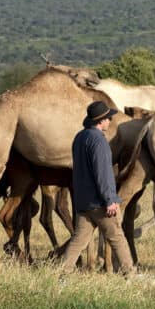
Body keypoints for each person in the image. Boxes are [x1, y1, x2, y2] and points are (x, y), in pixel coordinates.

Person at [59, 100, 134, 276]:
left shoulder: (79, 138)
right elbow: (104, 174)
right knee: (117, 237)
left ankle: (62, 275)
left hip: (83, 201)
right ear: (101, 120)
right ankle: (130, 274)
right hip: (100, 202)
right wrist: (110, 200)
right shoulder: (99, 141)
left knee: (78, 241)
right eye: (108, 118)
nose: (110, 120)